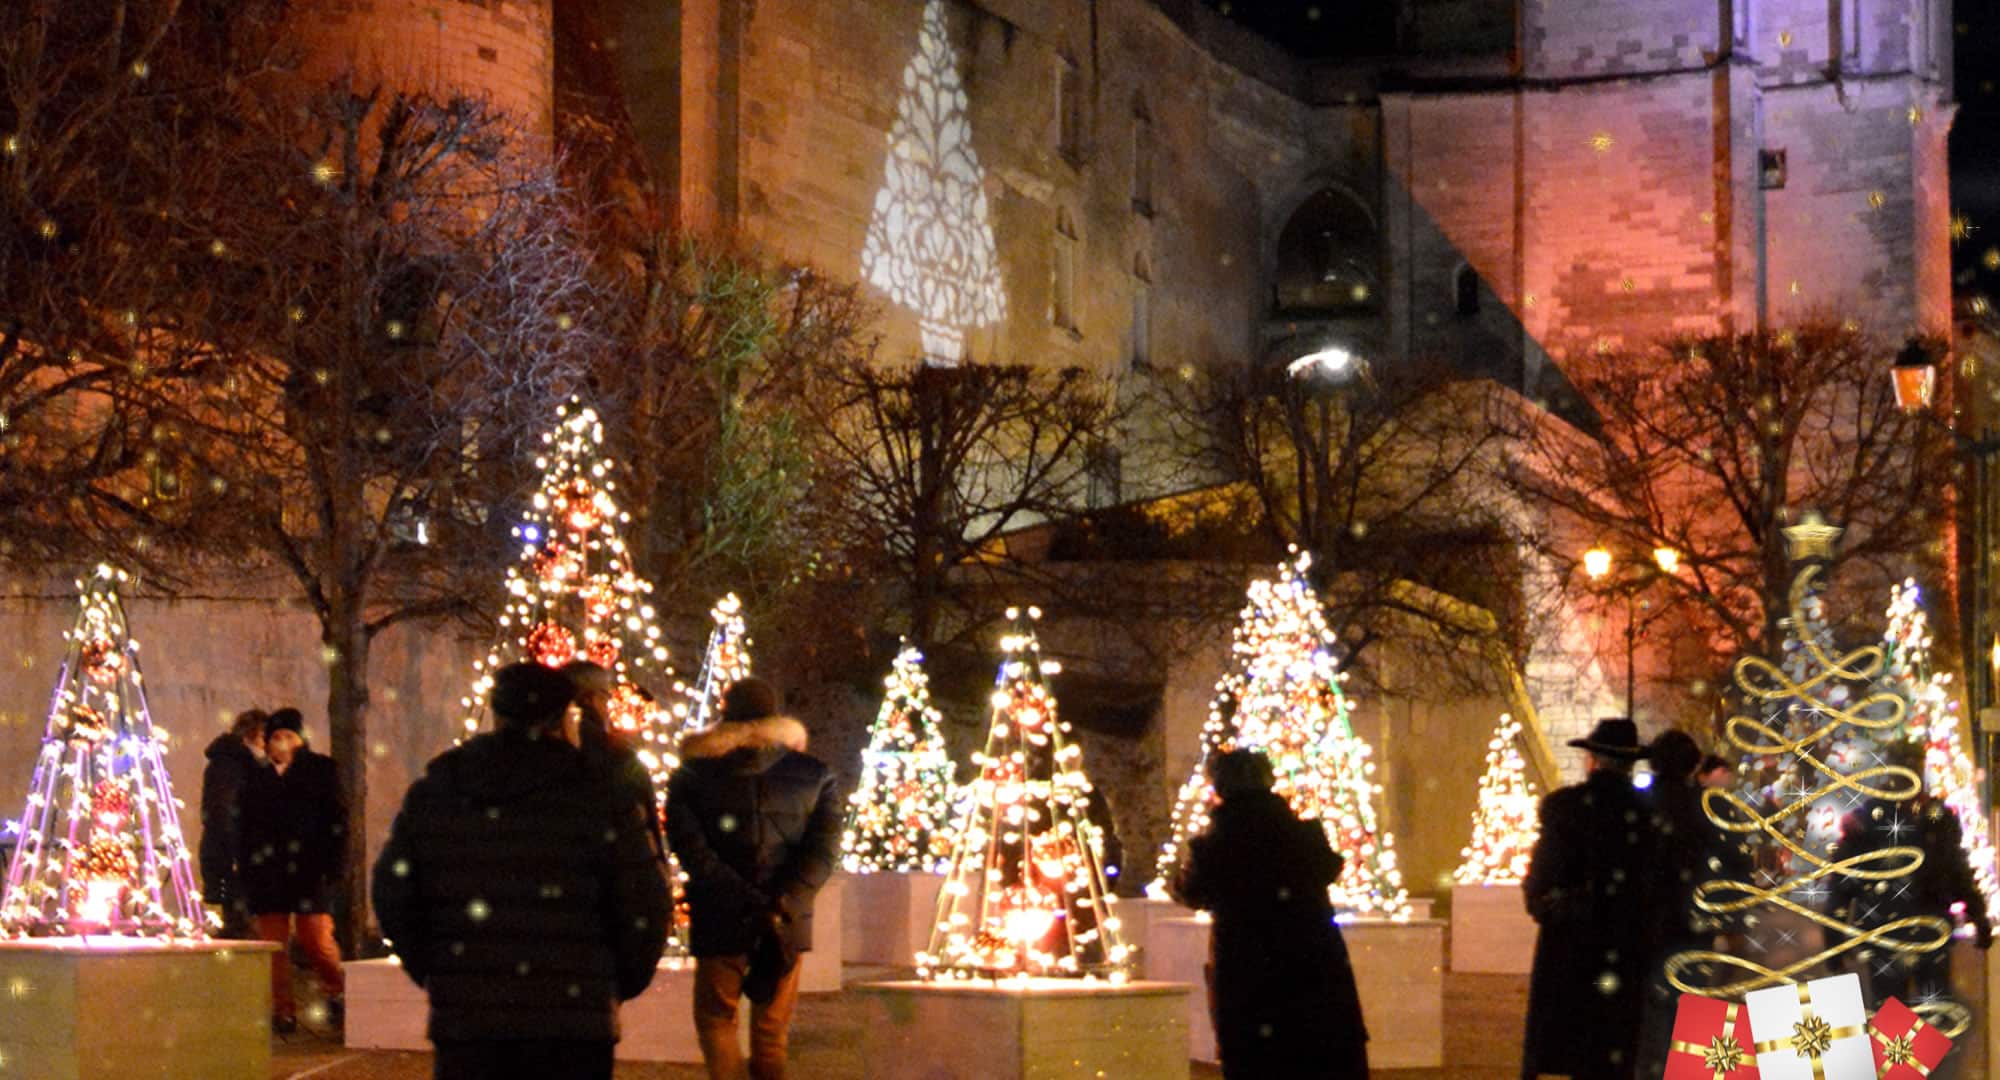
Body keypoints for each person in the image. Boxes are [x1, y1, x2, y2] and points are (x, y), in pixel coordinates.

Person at [374, 662, 670, 1080]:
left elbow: (392, 889)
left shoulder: (442, 788)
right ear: (562, 716)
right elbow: (644, 901)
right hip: (573, 1020)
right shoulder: (600, 793)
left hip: (470, 1020)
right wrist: (616, 981)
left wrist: (436, 969)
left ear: (497, 713)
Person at [666, 677, 841, 1080]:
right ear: (776, 715)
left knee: (715, 1018)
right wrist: (785, 900)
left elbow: (690, 848)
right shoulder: (814, 774)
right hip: (786, 921)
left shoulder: (692, 775)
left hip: (720, 912)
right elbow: (822, 851)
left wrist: (738, 894)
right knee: (771, 1029)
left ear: (724, 715)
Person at [1173, 748, 1369, 1079]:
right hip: (1314, 966)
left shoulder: (1215, 845)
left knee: (1258, 1060)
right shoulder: (1303, 835)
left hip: (1249, 973)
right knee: (1321, 1056)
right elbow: (1329, 867)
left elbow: (1189, 891)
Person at [1521, 717, 1658, 1080]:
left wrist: (1563, 908)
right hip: (1628, 953)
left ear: (1593, 760)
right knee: (1617, 1051)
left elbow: (1539, 886)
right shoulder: (1647, 816)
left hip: (1572, 949)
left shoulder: (1567, 810)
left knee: (1574, 1046)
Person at [1833, 739, 1993, 1009]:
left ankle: (1924, 1048)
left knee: (1928, 1012)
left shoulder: (1935, 816)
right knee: (1896, 1018)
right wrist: (1833, 933)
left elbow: (1956, 868)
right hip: (1889, 929)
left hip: (1926, 926)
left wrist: (1978, 915)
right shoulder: (1869, 819)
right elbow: (1844, 879)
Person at [240, 707, 348, 1034]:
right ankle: (282, 1010)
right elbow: (244, 829)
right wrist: (246, 870)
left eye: (289, 736)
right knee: (273, 947)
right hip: (268, 874)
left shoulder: (320, 771)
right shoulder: (256, 778)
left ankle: (338, 991)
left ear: (300, 740)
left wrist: (334, 865)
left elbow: (337, 821)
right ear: (268, 743)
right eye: (276, 737)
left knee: (315, 939)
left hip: (309, 871)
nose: (282, 743)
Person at [560, 659, 664, 860]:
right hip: (617, 873)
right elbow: (643, 831)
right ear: (590, 699)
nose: (609, 706)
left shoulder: (539, 752)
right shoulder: (616, 755)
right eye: (606, 696)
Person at [199, 707, 265, 939]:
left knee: (242, 925)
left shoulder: (234, 763)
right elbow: (222, 812)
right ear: (251, 736)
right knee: (242, 929)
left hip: (233, 856)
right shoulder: (233, 764)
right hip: (234, 858)